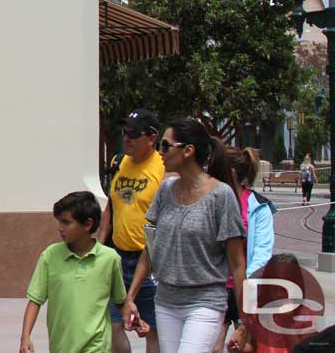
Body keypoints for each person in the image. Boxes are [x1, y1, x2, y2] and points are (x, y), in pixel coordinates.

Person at [122, 118, 247, 353]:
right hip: (166, 301)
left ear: (188, 150)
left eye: (166, 145)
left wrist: (245, 321)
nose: (160, 151)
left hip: (206, 302)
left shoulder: (221, 196)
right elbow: (150, 249)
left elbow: (238, 264)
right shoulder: (165, 190)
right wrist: (131, 297)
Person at [20, 191, 126, 353]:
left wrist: (133, 317)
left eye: (66, 222)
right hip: (61, 346)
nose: (60, 228)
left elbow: (120, 301)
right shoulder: (50, 255)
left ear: (87, 224)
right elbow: (35, 300)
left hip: (97, 346)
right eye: (59, 221)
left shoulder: (110, 258)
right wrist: (25, 336)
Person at [98, 108, 165, 353]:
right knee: (113, 325)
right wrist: (99, 246)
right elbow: (110, 208)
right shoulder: (119, 162)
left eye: (134, 134)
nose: (126, 138)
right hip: (117, 257)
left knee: (153, 329)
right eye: (125, 132)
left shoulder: (163, 169)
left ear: (152, 138)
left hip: (148, 261)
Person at [212, 148, 275, 353]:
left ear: (230, 173)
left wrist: (247, 284)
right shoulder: (212, 201)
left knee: (245, 347)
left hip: (246, 288)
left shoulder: (259, 207)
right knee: (212, 346)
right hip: (215, 288)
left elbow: (262, 254)